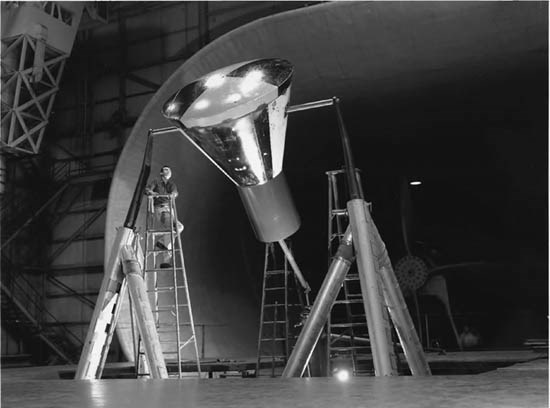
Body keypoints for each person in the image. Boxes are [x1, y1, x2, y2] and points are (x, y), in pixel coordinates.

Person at [144, 165, 184, 259]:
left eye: (168, 170)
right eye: (165, 170)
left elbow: (175, 193)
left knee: (176, 228)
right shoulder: (156, 182)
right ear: (161, 172)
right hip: (161, 209)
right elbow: (147, 190)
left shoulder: (171, 184)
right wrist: (153, 193)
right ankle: (166, 258)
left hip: (170, 210)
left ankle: (161, 244)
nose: (167, 171)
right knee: (174, 228)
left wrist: (172, 195)